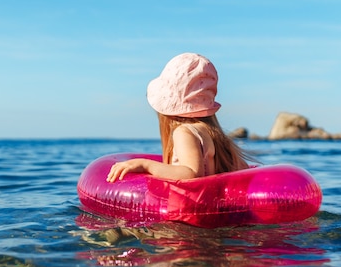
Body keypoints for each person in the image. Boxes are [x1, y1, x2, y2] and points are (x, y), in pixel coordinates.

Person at [107, 52, 251, 183]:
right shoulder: (213, 134)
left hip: (186, 210)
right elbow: (242, 169)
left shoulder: (184, 132)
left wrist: (145, 165)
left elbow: (191, 173)